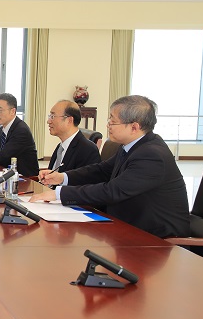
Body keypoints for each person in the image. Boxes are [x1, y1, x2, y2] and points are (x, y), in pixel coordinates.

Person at [32, 95, 189, 238]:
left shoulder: (152, 155)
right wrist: (63, 177)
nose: (108, 125)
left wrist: (59, 194)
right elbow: (102, 170)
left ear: (134, 127)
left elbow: (112, 191)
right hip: (128, 224)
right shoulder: (131, 146)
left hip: (155, 238)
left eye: (113, 122)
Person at [45, 100, 101, 172]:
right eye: (50, 116)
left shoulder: (88, 150)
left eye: (52, 116)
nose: (48, 121)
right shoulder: (61, 147)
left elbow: (83, 179)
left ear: (69, 120)